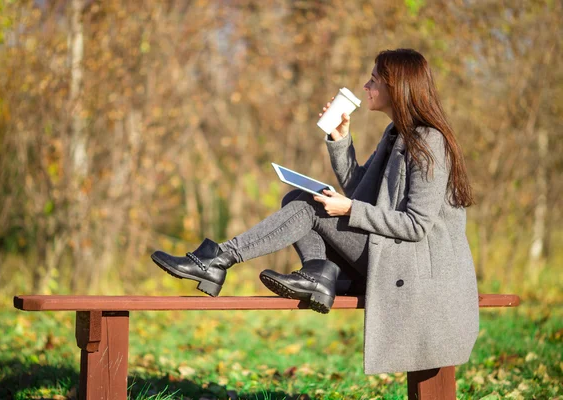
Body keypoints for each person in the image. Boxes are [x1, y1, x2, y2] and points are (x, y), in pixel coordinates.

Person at [151, 48, 480, 374]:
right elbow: (360, 192)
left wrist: (349, 209)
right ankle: (318, 274)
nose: (366, 87)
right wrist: (341, 142)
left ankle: (218, 260)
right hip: (392, 254)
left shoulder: (429, 141)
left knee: (308, 205)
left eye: (373, 80)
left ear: (396, 88)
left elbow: (416, 225)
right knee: (301, 196)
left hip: (415, 267)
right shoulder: (396, 134)